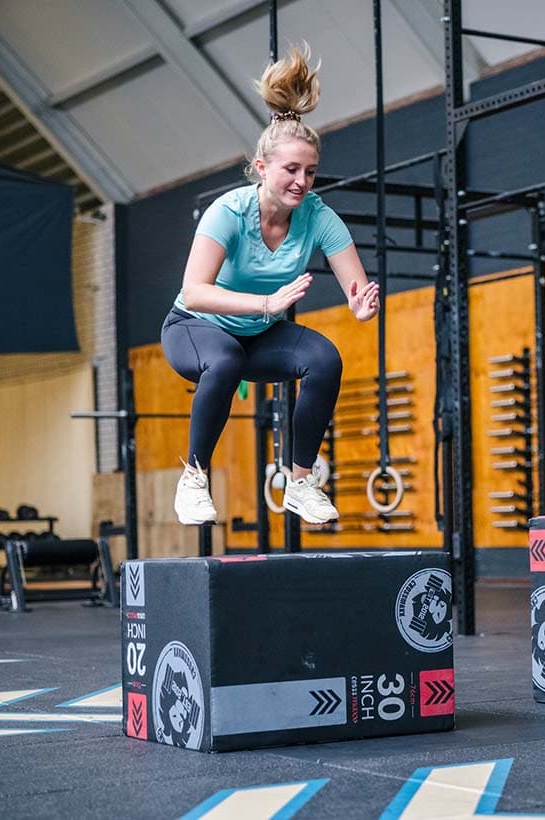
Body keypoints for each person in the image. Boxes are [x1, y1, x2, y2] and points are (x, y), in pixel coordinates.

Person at [161, 45, 379, 526]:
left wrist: (362, 307)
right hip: (194, 327)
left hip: (258, 337)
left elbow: (354, 285)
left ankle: (300, 482)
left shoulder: (318, 217)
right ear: (262, 168)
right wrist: (264, 303)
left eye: (310, 172)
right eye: (291, 170)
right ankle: (194, 477)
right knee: (225, 358)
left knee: (324, 358)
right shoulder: (229, 211)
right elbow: (194, 291)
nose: (302, 182)